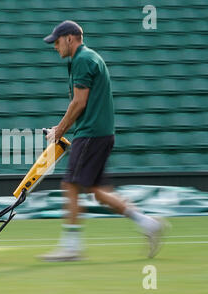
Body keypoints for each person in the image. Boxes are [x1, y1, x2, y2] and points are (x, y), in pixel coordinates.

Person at [39, 20, 169, 262]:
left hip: (90, 134)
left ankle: (71, 247)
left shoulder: (82, 60)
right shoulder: (86, 59)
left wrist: (59, 130)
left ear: (70, 38)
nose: (54, 46)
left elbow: (79, 102)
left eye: (56, 42)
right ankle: (149, 224)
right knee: (98, 192)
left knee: (70, 185)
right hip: (100, 133)